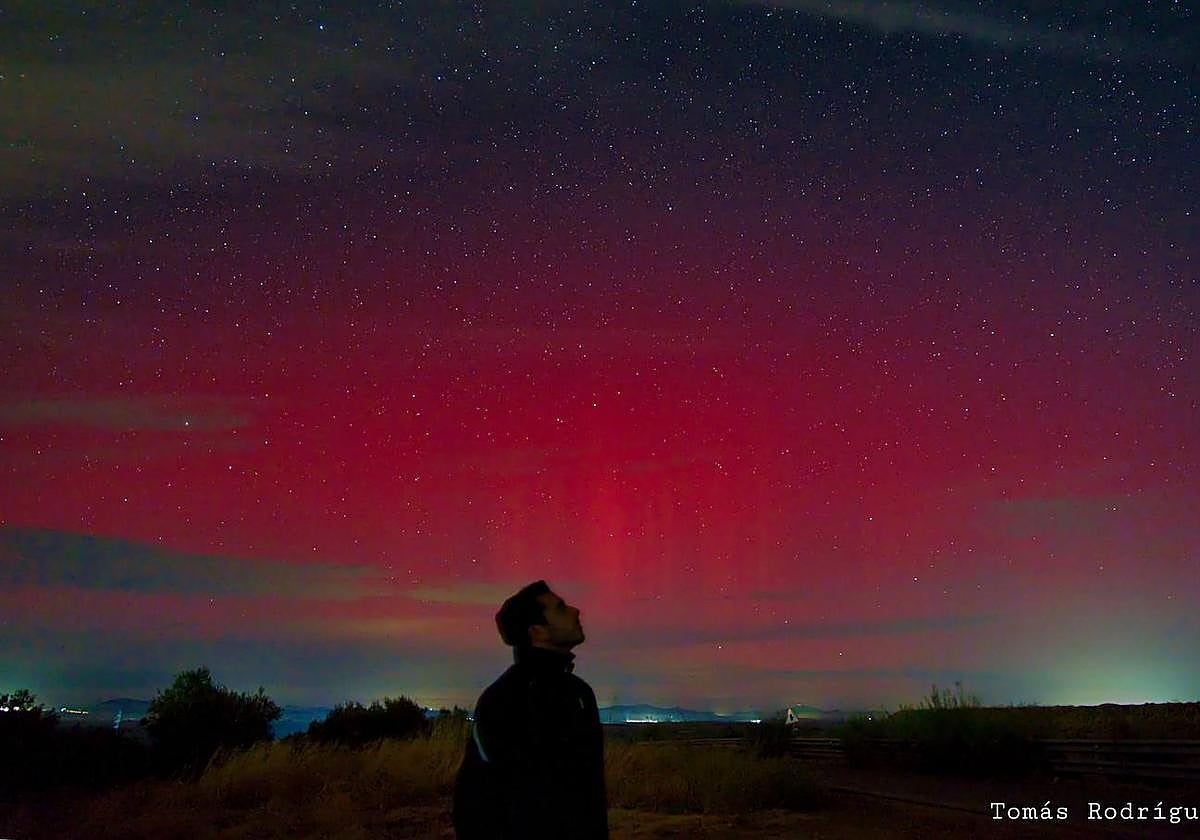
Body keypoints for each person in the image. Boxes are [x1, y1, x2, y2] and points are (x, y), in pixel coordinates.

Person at [452, 580, 608, 839]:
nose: (575, 611)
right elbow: (478, 800)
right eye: (560, 608)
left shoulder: (580, 693)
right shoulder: (505, 699)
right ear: (538, 632)